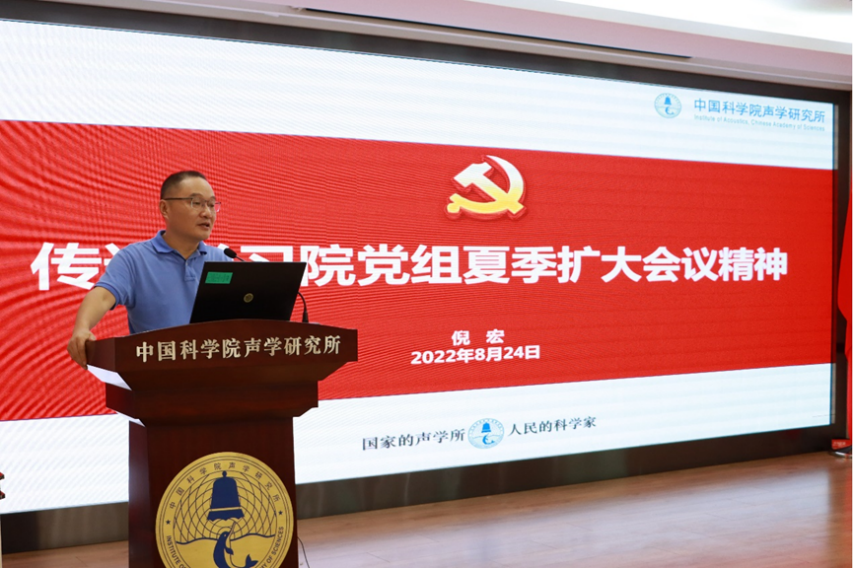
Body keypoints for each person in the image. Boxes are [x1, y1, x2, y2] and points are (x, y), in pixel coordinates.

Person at [66, 171, 231, 369]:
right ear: (165, 208)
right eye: (196, 203)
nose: (207, 213)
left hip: (215, 373)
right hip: (156, 374)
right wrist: (82, 328)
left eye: (211, 205)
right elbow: (102, 296)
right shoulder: (134, 259)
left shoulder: (222, 260)